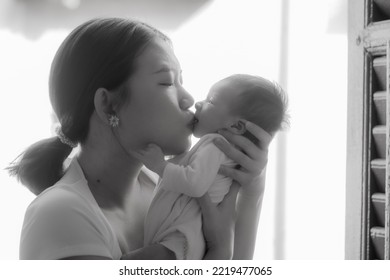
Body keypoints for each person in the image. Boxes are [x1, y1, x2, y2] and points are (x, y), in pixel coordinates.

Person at [8, 18, 272, 260]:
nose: (189, 99)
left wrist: (250, 189)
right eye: (168, 82)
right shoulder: (60, 215)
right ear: (109, 105)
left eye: (182, 81)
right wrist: (220, 249)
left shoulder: (167, 185)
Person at [133, 74, 288, 259]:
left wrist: (160, 166)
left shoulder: (216, 144)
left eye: (210, 101)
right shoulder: (221, 151)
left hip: (183, 236)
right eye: (167, 82)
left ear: (236, 126)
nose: (196, 103)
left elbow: (194, 183)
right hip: (189, 236)